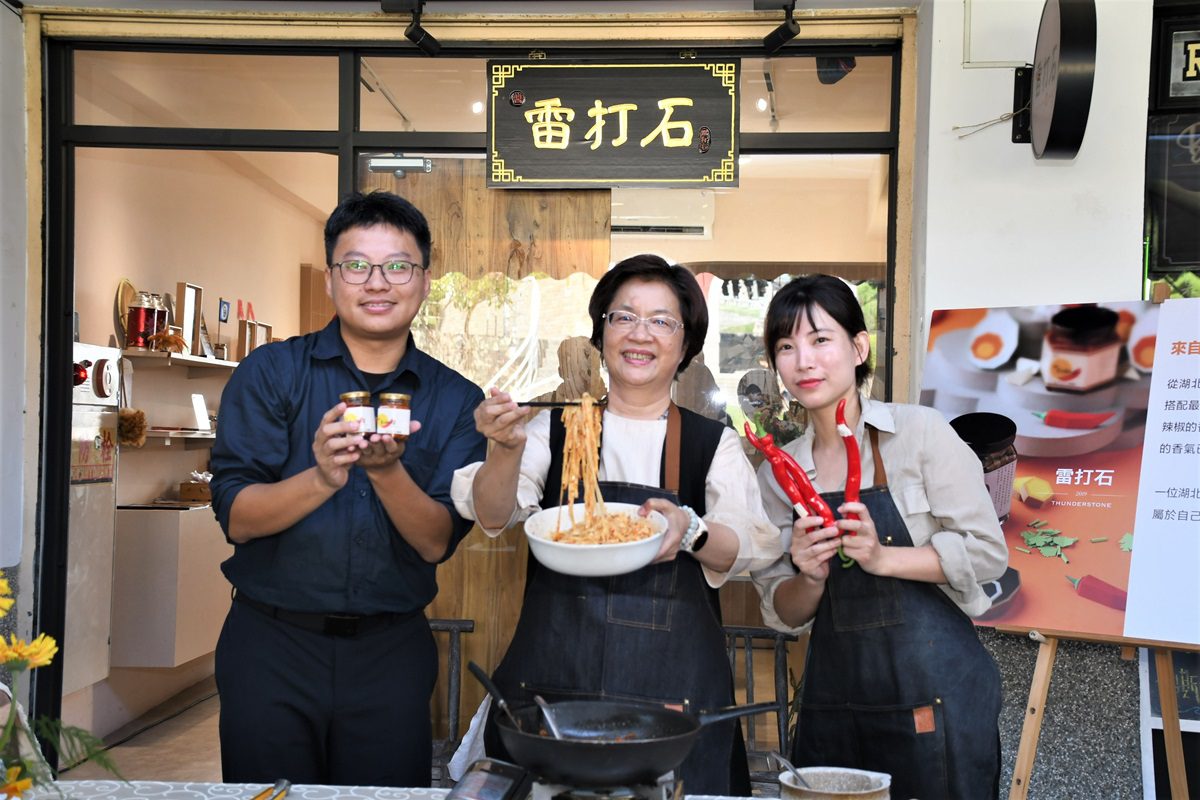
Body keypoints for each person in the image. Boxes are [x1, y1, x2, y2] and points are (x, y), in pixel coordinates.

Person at [450, 254, 782, 795]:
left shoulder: (710, 443)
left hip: (672, 709)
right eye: (623, 317)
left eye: (660, 320)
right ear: (601, 333)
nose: (639, 334)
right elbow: (491, 514)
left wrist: (691, 529)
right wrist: (504, 448)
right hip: (553, 701)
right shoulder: (552, 429)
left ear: (685, 344)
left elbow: (746, 549)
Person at [209, 191, 486, 787]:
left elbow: (436, 541)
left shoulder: (458, 400)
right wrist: (323, 477)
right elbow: (238, 516)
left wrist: (386, 472)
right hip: (271, 645)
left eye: (398, 266)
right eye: (356, 265)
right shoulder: (272, 372)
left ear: (425, 281)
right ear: (333, 280)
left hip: (390, 652)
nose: (377, 282)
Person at [750, 275, 1008, 800]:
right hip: (834, 705)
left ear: (858, 346)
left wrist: (882, 557)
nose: (804, 360)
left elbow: (987, 553)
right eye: (786, 346)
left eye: (821, 339)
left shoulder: (920, 433)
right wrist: (812, 576)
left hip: (936, 698)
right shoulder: (778, 473)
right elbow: (784, 612)